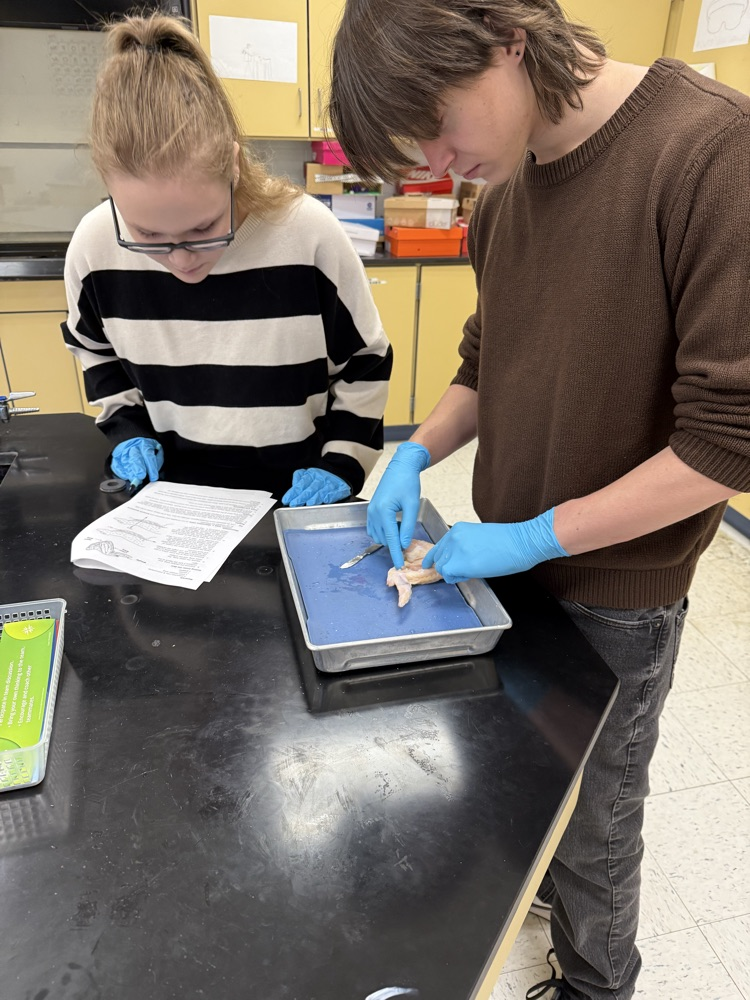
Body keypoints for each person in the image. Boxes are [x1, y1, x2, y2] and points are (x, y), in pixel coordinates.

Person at [329, 2, 750, 998]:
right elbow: (488, 360)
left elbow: (726, 443)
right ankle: (543, 896)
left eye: (438, 125)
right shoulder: (505, 190)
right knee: (525, 773)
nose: (436, 162)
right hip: (506, 568)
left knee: (599, 821)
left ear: (509, 38)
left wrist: (537, 535)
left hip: (616, 590)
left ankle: (596, 982)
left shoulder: (709, 154)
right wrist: (414, 452)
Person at [62, 13, 391, 505]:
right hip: (170, 498)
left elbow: (365, 361)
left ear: (233, 165)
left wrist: (343, 460)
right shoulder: (93, 246)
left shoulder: (306, 235)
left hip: (295, 491)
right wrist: (126, 425)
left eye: (203, 229)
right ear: (108, 185)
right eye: (148, 235)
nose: (181, 260)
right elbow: (93, 348)